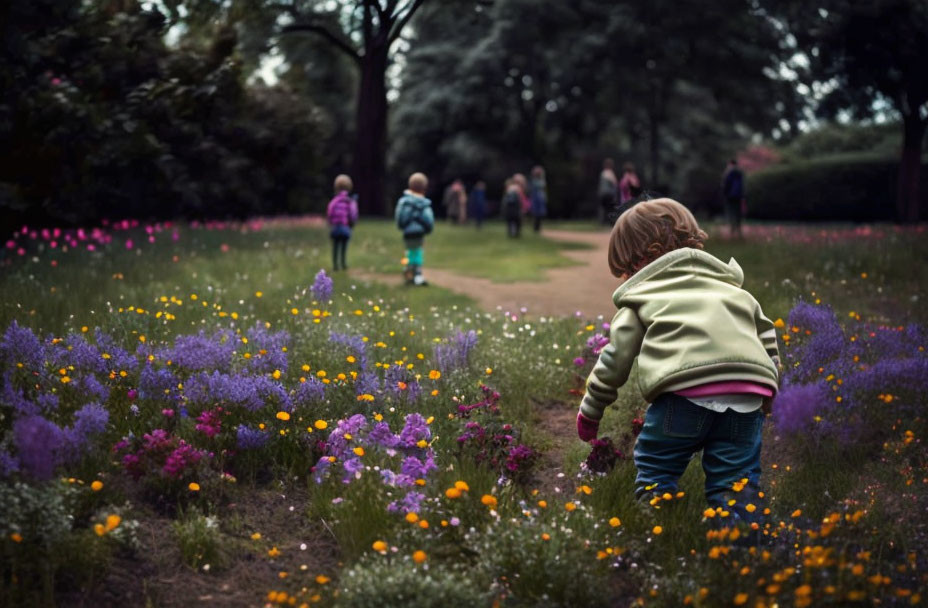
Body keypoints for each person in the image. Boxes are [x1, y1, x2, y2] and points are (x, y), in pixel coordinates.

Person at [575, 198, 780, 526]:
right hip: (747, 397)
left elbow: (615, 359)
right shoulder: (732, 289)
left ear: (642, 259)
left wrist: (591, 410)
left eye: (626, 270)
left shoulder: (644, 296)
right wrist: (771, 388)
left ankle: (658, 532)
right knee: (736, 481)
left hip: (682, 399)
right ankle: (740, 550)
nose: (627, 278)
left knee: (657, 468)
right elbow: (766, 336)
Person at [395, 172, 435, 286]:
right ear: (424, 188)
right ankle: (417, 274)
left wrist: (402, 226)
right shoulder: (424, 203)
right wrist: (428, 229)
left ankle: (408, 271)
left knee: (409, 252)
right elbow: (428, 218)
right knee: (418, 252)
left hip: (407, 232)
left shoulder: (404, 202)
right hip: (419, 233)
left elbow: (399, 217)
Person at [326, 174, 359, 271]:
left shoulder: (334, 201)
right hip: (345, 227)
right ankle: (343, 263)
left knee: (335, 246)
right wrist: (352, 222)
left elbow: (330, 211)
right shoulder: (350, 201)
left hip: (336, 227)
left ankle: (335, 265)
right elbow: (353, 213)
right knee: (344, 246)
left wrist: (330, 221)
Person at [722, 159, 745, 238]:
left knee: (731, 212)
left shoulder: (729, 173)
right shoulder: (740, 173)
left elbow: (726, 185)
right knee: (738, 213)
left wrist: (724, 194)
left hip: (730, 197)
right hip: (738, 196)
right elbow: (742, 186)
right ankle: (739, 231)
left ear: (730, 164)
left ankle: (732, 230)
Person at [597, 158, 619, 224]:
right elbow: (615, 183)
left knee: (603, 208)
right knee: (610, 208)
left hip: (602, 193)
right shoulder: (610, 173)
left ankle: (602, 222)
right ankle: (610, 222)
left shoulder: (602, 173)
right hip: (609, 194)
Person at [529, 165, 548, 233]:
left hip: (539, 198)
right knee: (536, 214)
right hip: (536, 198)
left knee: (540, 214)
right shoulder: (535, 181)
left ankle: (538, 227)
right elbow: (541, 186)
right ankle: (536, 228)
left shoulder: (540, 180)